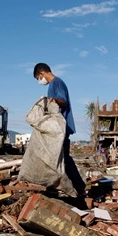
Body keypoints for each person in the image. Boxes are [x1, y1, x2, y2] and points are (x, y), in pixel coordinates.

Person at [33, 63, 86, 197]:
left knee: (64, 159)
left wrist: (54, 100)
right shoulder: (53, 85)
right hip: (58, 128)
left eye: (38, 78)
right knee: (60, 159)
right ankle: (72, 187)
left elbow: (63, 101)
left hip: (61, 128)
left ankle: (78, 188)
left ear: (42, 74)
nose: (40, 81)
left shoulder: (57, 83)